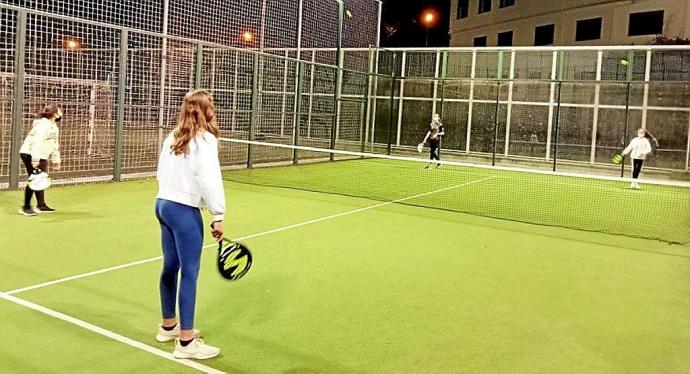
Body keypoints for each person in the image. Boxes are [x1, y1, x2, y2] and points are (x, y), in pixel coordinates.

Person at [154, 89, 225, 359]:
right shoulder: (205, 139)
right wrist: (217, 214)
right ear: (207, 111)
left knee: (170, 267)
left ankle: (168, 326)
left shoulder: (173, 136)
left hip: (162, 204)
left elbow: (161, 172)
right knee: (190, 273)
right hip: (182, 210)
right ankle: (186, 343)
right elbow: (210, 179)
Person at [18, 104, 62, 216]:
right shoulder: (42, 126)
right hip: (29, 154)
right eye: (59, 111)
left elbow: (54, 144)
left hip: (41, 155)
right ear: (54, 114)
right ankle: (26, 207)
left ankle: (41, 205)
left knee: (39, 178)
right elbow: (37, 142)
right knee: (35, 179)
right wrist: (35, 159)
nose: (61, 112)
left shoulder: (54, 127)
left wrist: (56, 160)